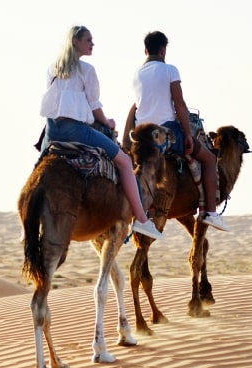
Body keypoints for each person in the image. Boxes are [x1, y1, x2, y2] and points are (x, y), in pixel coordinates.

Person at [39, 25, 163, 240]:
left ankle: (27, 224)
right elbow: (94, 106)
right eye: (88, 40)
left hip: (52, 128)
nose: (92, 43)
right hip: (75, 130)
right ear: (76, 42)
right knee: (124, 161)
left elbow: (56, 102)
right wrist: (109, 122)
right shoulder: (86, 70)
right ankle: (142, 220)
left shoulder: (53, 68)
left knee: (40, 164)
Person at [124, 30, 229, 232]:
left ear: (145, 50)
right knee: (208, 158)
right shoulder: (170, 70)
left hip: (141, 134)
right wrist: (188, 134)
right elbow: (179, 104)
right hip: (165, 132)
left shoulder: (136, 74)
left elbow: (137, 106)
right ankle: (210, 213)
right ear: (163, 51)